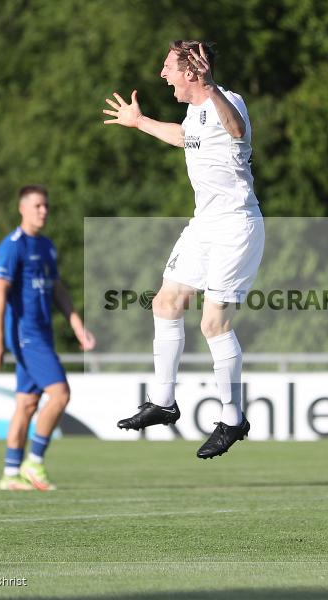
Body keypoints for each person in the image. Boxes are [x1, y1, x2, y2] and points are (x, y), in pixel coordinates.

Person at [102, 40, 264, 459]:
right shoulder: (194, 111)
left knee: (213, 324)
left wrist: (210, 87)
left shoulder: (227, 101)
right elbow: (184, 136)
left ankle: (232, 418)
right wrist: (140, 123)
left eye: (168, 67)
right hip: (204, 225)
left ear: (192, 72)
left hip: (235, 227)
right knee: (166, 303)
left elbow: (237, 130)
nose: (162, 74)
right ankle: (163, 401)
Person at [0, 185, 95, 491]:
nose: (43, 211)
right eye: (37, 206)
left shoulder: (47, 246)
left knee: (26, 403)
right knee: (60, 394)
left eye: (46, 206)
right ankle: (34, 462)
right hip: (25, 334)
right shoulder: (12, 246)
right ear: (22, 209)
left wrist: (76, 325)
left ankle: (10, 474)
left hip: (42, 334)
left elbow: (57, 289)